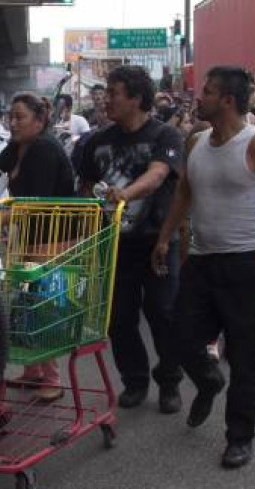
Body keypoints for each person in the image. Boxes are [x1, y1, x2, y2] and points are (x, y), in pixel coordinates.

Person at [152, 66, 255, 469]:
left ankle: (239, 437)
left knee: (243, 356)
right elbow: (185, 190)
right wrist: (164, 236)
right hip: (202, 262)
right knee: (180, 339)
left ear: (226, 100)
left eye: (205, 92)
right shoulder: (196, 142)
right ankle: (208, 382)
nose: (198, 98)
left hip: (244, 265)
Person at [78, 65, 185, 413]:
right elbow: (85, 188)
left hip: (157, 242)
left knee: (163, 314)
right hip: (113, 246)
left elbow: (157, 176)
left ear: (136, 98)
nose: (105, 100)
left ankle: (169, 381)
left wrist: (123, 194)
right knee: (119, 318)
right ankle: (135, 380)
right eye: (106, 93)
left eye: (113, 93)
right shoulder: (97, 141)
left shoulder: (164, 136)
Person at [0, 93, 75, 402]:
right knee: (26, 300)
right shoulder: (18, 147)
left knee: (43, 304)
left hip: (54, 238)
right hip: (30, 237)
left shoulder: (44, 149)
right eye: (10, 117)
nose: (12, 123)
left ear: (39, 121)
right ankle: (33, 369)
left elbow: (38, 201)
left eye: (20, 117)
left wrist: (0, 215)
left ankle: (52, 376)